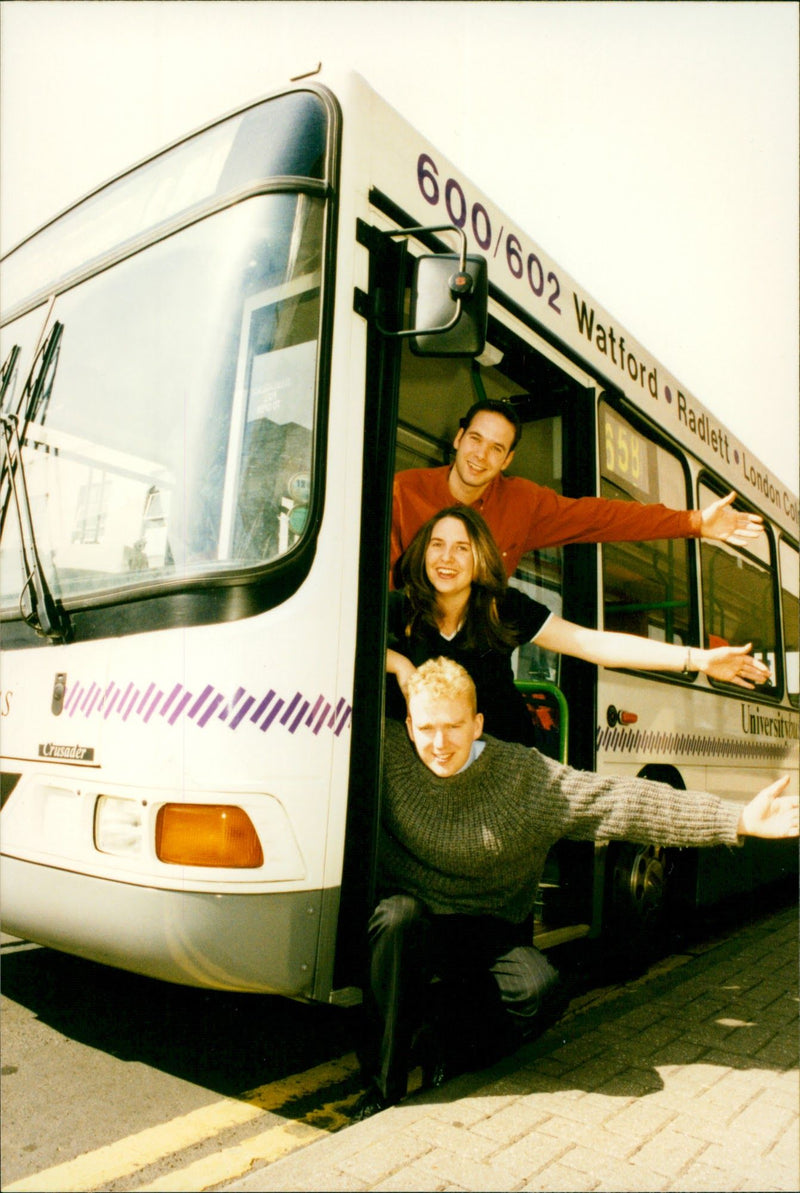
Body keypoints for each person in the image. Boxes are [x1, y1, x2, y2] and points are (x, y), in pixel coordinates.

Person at [354, 657, 798, 1119]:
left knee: (539, 993)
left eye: (454, 726)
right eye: (426, 728)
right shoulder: (387, 754)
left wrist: (737, 819)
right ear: (407, 726)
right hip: (416, 926)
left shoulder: (523, 777)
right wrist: (384, 653)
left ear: (478, 723)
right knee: (395, 918)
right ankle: (382, 1090)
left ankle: (447, 1043)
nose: (440, 743)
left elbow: (621, 801)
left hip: (490, 928)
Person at [386, 506, 770, 746]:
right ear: (422, 553)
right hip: (431, 752)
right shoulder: (399, 610)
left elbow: (591, 644)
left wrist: (697, 659)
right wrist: (399, 665)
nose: (446, 557)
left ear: (480, 559)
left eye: (462, 547)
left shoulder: (504, 608)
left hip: (501, 753)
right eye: (437, 545)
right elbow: (342, 636)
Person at [390, 398, 764, 584]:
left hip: (479, 658)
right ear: (458, 439)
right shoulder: (403, 491)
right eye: (475, 439)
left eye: (496, 448)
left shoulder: (524, 503)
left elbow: (603, 518)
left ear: (507, 461)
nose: (480, 456)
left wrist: (695, 521)